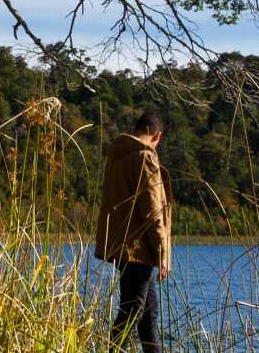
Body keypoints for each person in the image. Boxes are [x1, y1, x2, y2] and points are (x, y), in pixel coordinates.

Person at [93, 110, 171, 353]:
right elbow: (152, 210)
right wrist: (163, 252)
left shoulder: (116, 155)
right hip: (138, 247)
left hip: (123, 244)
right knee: (133, 310)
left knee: (148, 314)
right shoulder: (144, 157)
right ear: (156, 136)